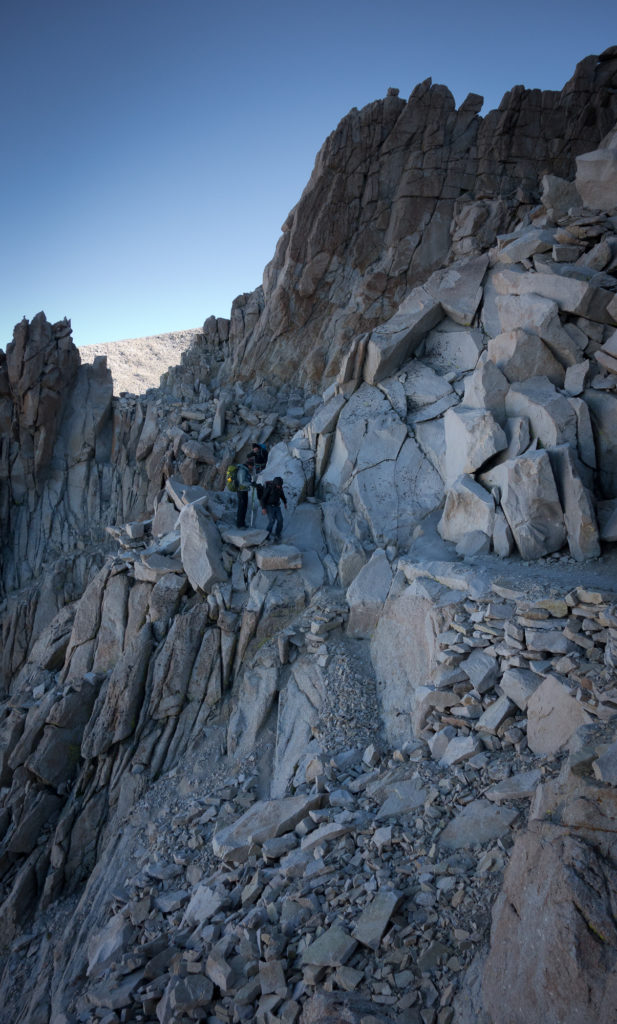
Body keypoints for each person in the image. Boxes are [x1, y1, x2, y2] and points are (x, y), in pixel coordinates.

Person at [260, 476, 287, 541]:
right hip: (269, 506)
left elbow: (282, 495)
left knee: (280, 520)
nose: (279, 486)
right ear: (275, 484)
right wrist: (263, 508)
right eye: (278, 485)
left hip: (277, 506)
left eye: (280, 485)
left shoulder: (280, 488)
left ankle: (277, 534)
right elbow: (263, 499)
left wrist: (285, 503)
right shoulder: (269, 488)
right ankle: (266, 536)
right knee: (272, 521)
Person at [235, 458, 254, 528]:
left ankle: (242, 523)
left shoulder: (245, 470)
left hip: (244, 491)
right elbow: (242, 482)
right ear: (249, 465)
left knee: (244, 507)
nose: (252, 467)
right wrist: (251, 484)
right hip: (241, 491)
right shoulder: (242, 471)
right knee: (241, 508)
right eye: (252, 466)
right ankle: (240, 524)